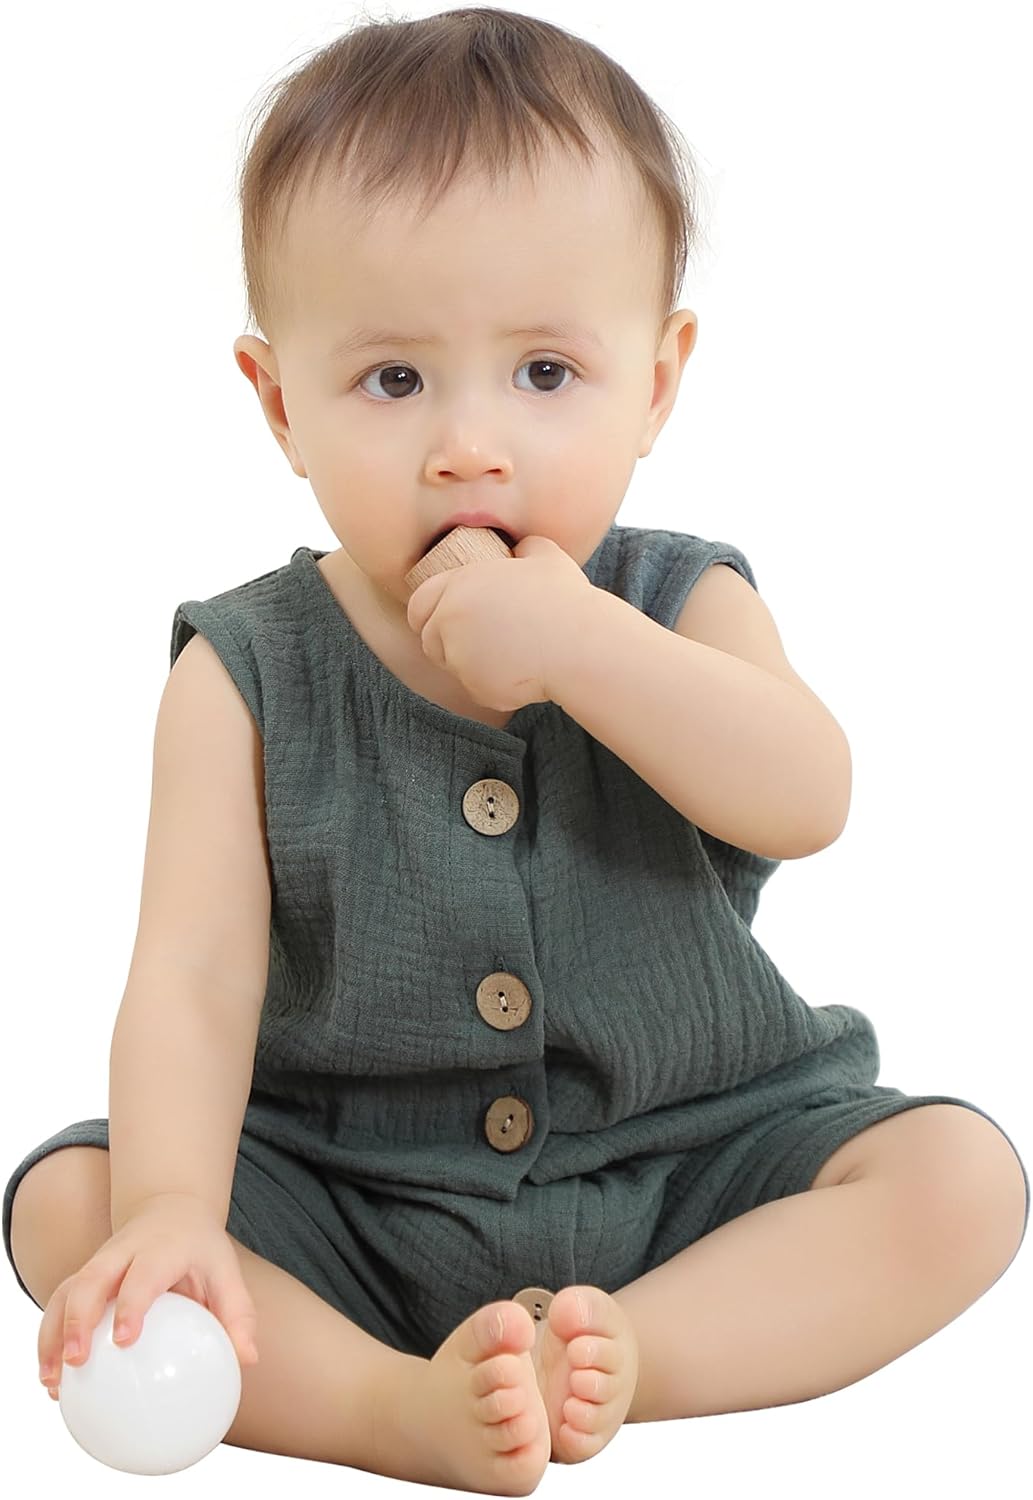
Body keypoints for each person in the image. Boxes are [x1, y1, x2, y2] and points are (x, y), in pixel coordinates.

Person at [4, 7, 1028, 1493]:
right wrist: (172, 1205)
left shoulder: (678, 600)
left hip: (687, 1163)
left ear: (655, 383)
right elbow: (195, 974)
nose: (468, 447)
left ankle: (634, 1357)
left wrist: (583, 648)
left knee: (960, 1181)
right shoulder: (243, 670)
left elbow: (807, 797)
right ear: (280, 403)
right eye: (393, 381)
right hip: (349, 1189)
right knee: (71, 1206)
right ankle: (392, 1409)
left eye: (545, 373)